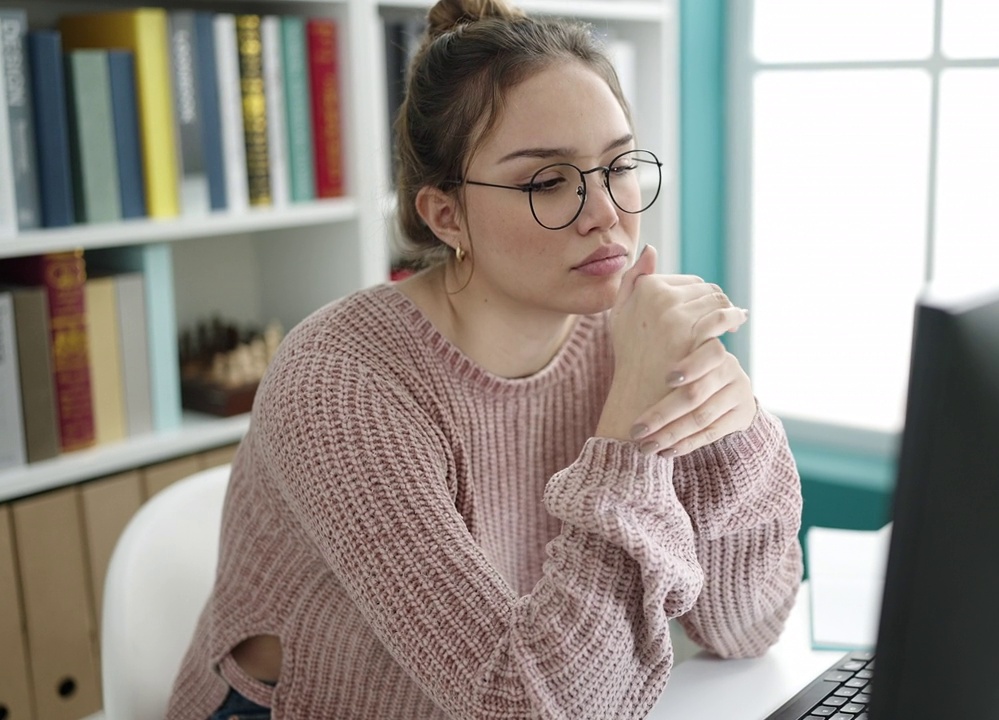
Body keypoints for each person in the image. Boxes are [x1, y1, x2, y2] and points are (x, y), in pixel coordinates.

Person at [167, 0, 803, 717]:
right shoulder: (341, 379)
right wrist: (628, 432)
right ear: (446, 216)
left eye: (619, 164)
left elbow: (747, 627)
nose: (606, 213)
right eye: (547, 181)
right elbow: (524, 707)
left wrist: (730, 424)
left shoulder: (623, 337)